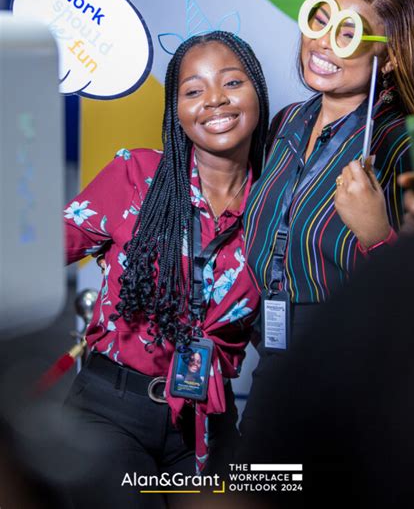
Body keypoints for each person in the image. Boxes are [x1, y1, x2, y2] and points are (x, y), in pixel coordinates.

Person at [241, 0, 414, 440]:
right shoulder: (286, 124)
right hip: (276, 371)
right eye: (320, 20)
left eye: (349, 33)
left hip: (357, 384)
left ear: (391, 57)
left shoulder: (405, 146)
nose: (323, 43)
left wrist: (377, 235)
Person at [63, 30, 269, 506]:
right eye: (194, 90)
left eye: (231, 83)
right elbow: (36, 251)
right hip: (110, 413)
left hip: (207, 424)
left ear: (257, 90)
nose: (214, 100)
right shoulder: (135, 177)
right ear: (176, 110)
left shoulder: (276, 206)